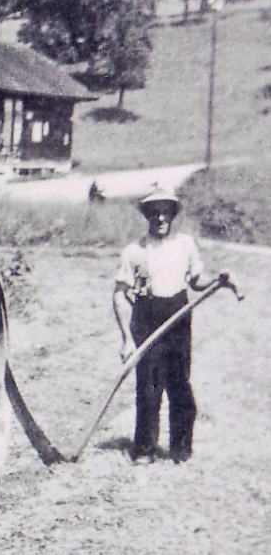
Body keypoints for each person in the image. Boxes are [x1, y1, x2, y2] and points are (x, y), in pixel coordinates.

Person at [113, 186, 235, 464]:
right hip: (147, 316)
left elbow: (196, 281)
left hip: (178, 313)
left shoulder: (185, 245)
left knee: (180, 382)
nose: (160, 218)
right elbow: (119, 294)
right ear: (147, 216)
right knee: (149, 386)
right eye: (154, 213)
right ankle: (144, 450)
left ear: (172, 215)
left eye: (165, 212)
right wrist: (126, 339)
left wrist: (219, 280)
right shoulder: (134, 251)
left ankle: (181, 450)